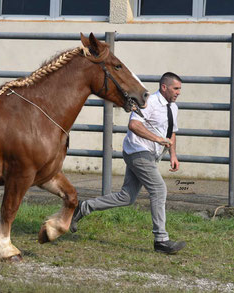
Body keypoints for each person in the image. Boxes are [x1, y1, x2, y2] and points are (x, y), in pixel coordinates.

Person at [70, 72, 186, 255]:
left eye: (179, 89)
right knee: (159, 189)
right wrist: (157, 139)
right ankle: (161, 240)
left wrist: (173, 155)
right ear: (164, 87)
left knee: (126, 197)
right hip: (137, 152)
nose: (179, 92)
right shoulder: (149, 103)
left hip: (148, 154)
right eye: (176, 88)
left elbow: (172, 132)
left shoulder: (173, 107)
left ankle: (83, 207)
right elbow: (134, 125)